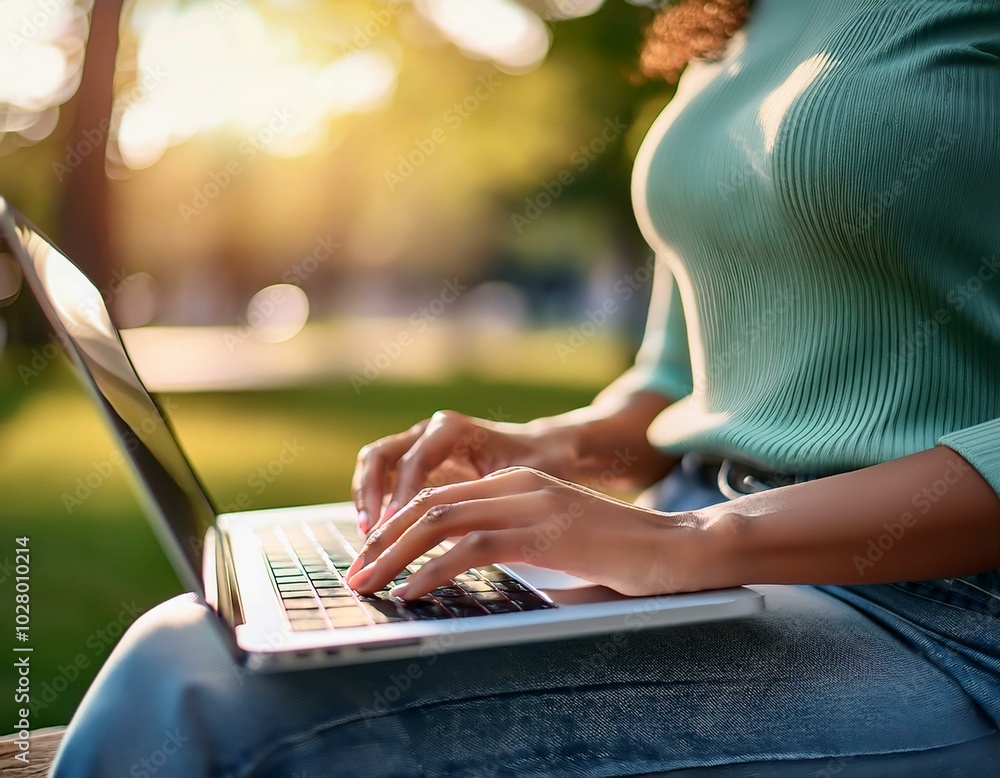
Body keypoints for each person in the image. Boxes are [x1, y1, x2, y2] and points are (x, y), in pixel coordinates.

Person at [53, 0, 1000, 775]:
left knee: (195, 689)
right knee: (214, 637)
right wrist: (545, 447)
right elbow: (681, 382)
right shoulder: (733, 18)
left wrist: (688, 545)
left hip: (943, 621)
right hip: (715, 552)